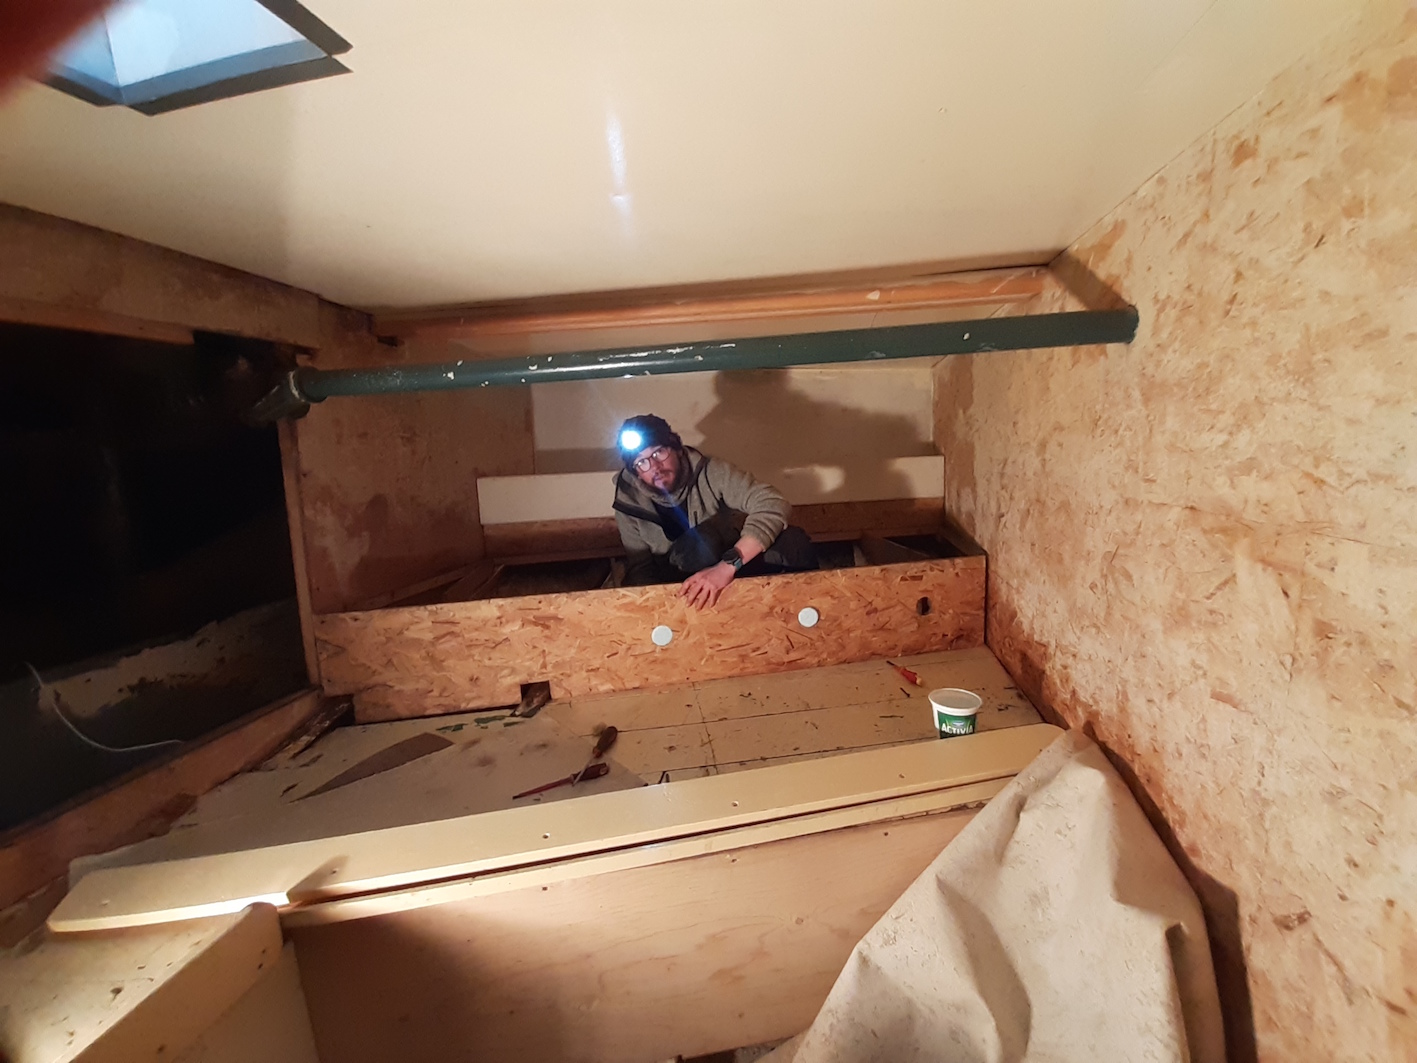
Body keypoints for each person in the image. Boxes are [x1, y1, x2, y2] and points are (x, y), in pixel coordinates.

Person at [611, 414, 818, 608]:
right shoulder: (628, 503)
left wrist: (726, 567)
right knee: (699, 544)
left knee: (793, 542)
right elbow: (641, 569)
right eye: (642, 462)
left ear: (678, 449)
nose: (655, 467)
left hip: (729, 566)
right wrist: (665, 610)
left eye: (658, 453)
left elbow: (772, 503)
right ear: (636, 473)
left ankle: (805, 614)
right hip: (680, 587)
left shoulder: (711, 472)